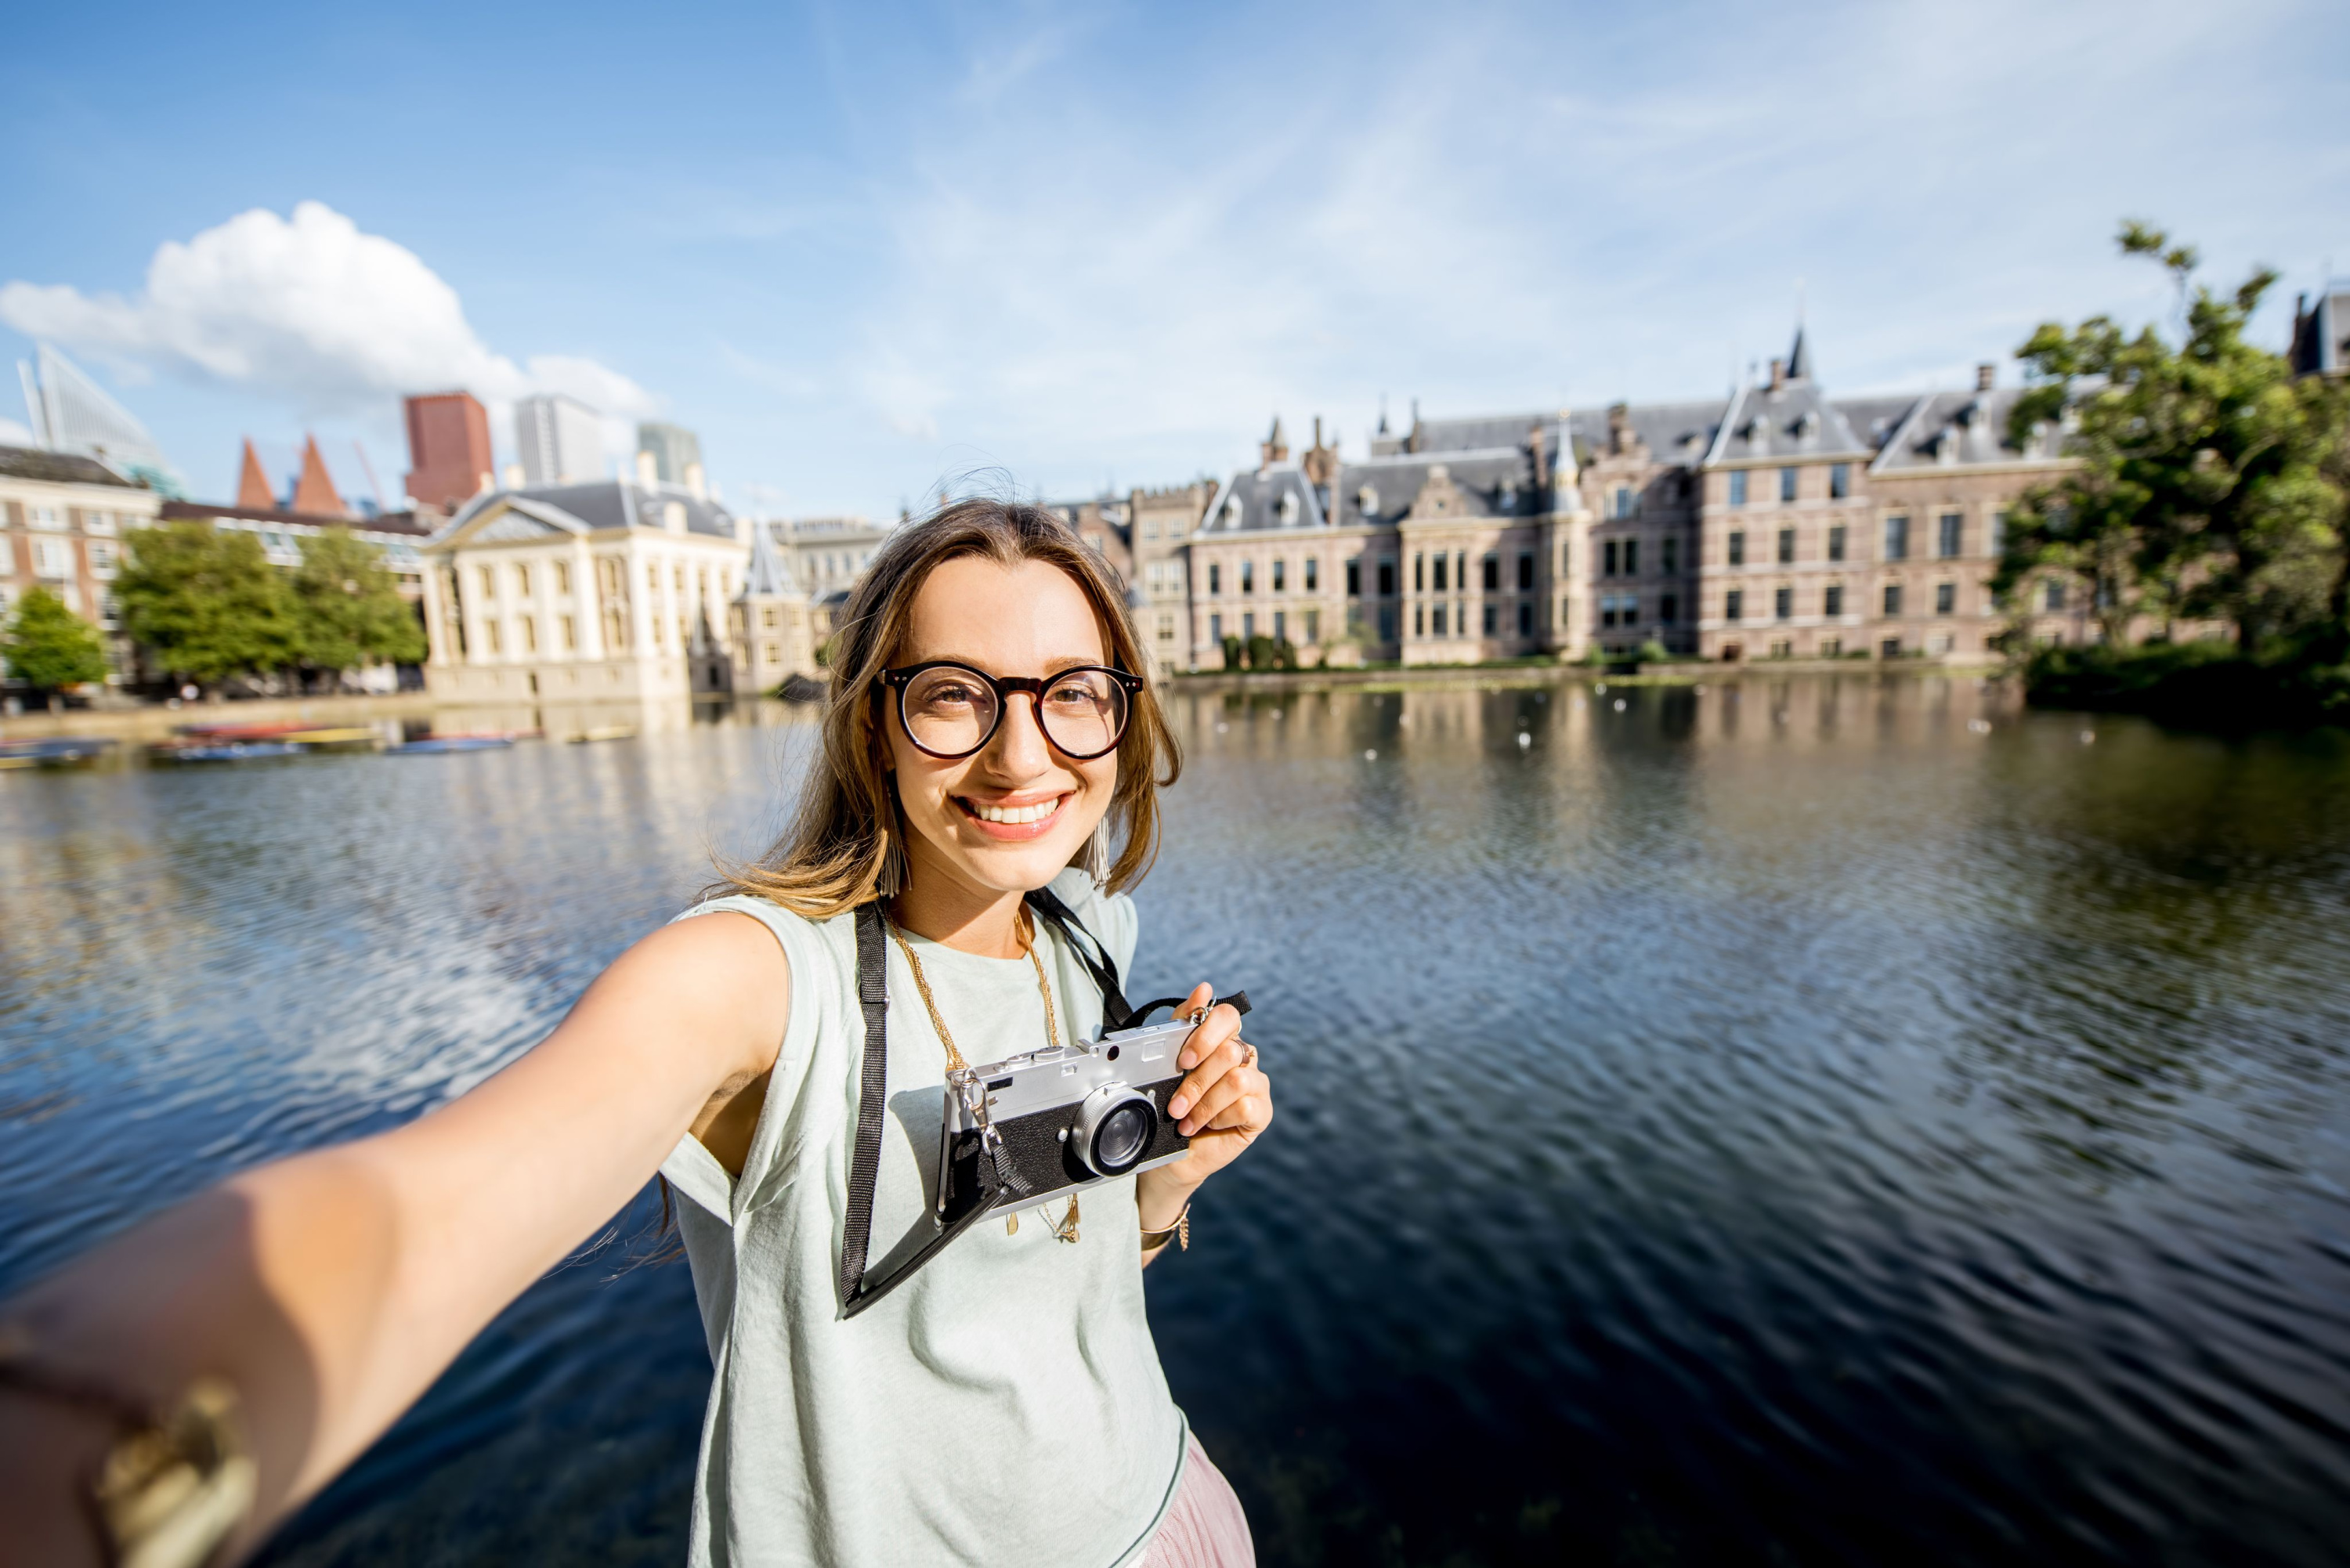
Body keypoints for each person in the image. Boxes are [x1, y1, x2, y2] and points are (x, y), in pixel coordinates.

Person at [0, 500, 1274, 1568]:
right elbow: (433, 1209)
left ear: (1124, 716)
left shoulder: (1089, 930)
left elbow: (1052, 1296)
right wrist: (92, 1418)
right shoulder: (759, 977)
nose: (1020, 754)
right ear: (873, 725)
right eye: (954, 695)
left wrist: (1164, 1187)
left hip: (1161, 1513)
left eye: (1074, 694)